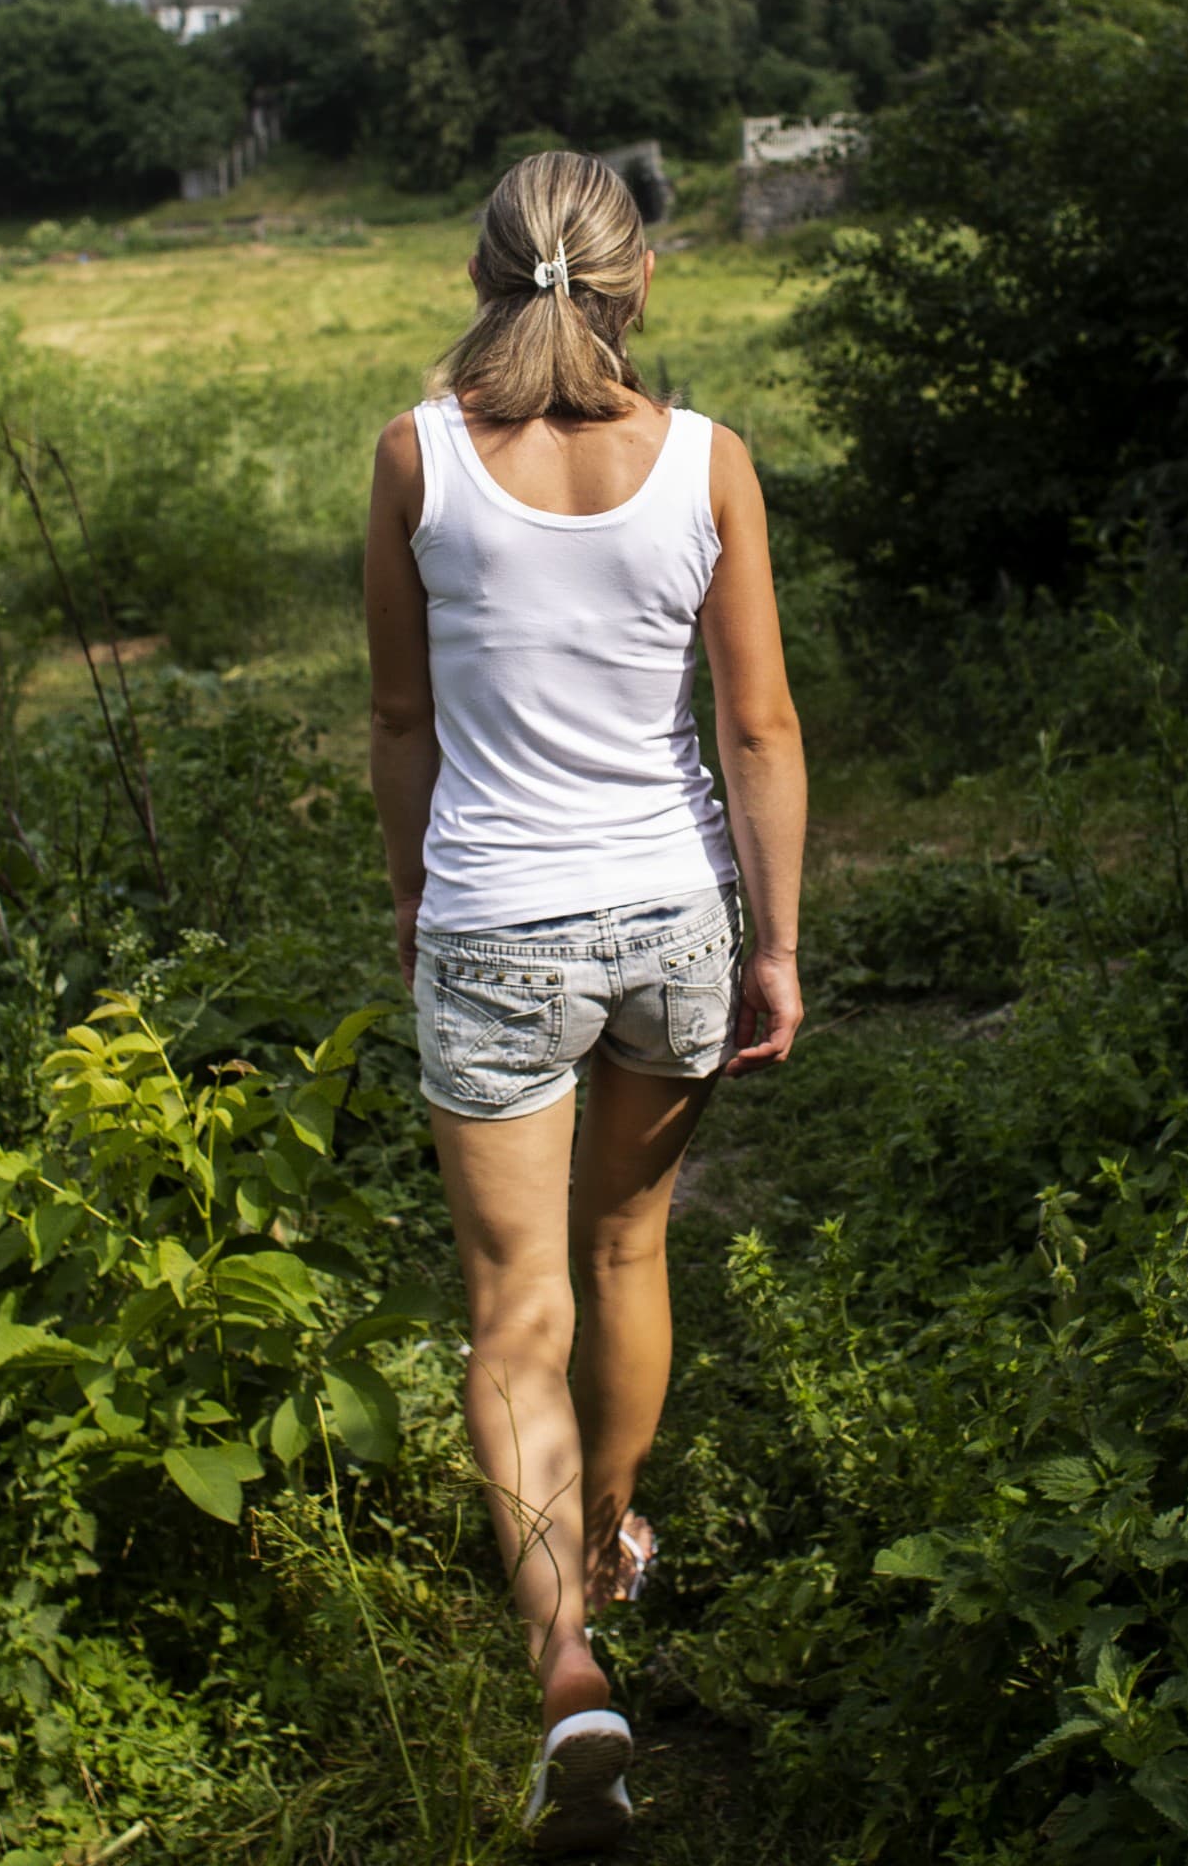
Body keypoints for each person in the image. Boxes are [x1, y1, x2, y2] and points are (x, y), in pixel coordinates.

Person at [363, 149, 807, 1853]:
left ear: (485, 273)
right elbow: (756, 728)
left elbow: (403, 723)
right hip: (674, 920)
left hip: (496, 922)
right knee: (631, 1253)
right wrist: (774, 943)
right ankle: (614, 1543)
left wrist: (415, 896)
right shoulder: (711, 463)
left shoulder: (420, 457)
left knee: (511, 1313)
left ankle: (562, 1657)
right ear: (640, 278)